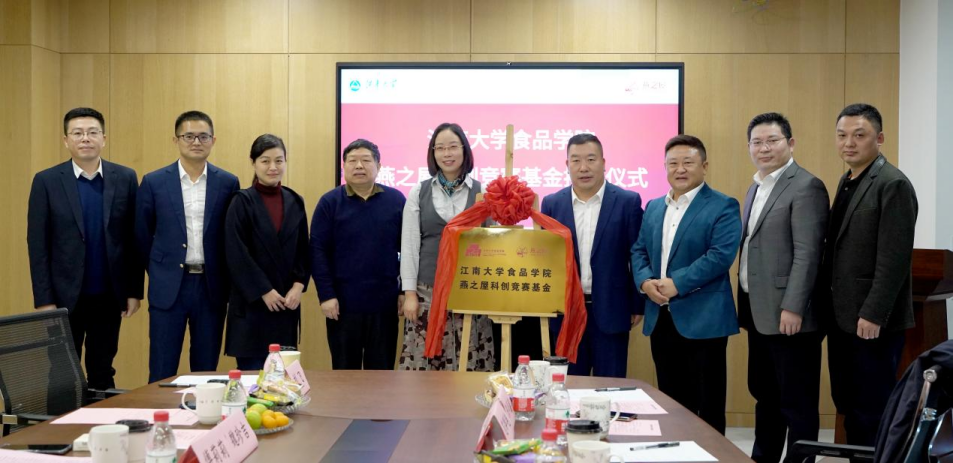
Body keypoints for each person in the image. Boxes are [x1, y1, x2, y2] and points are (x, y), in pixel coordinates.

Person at [818, 103, 918, 448]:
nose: (849, 143)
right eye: (842, 135)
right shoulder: (847, 180)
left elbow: (894, 258)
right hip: (842, 316)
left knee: (872, 409)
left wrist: (874, 313)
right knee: (847, 403)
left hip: (871, 320)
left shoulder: (892, 183)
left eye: (859, 135)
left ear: (880, 138)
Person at [631, 134, 741, 434]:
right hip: (661, 316)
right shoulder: (654, 206)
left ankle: (710, 453)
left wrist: (676, 283)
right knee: (671, 400)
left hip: (704, 318)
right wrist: (645, 282)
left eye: (688, 163)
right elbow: (639, 250)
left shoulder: (723, 205)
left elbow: (720, 256)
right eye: (673, 163)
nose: (680, 169)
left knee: (707, 403)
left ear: (704, 166)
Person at [27, 107, 142, 390]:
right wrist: (44, 300)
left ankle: (100, 420)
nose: (85, 138)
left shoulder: (125, 177)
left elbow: (133, 240)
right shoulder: (46, 181)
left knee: (102, 370)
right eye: (77, 133)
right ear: (66, 140)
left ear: (104, 138)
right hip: (62, 297)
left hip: (108, 295)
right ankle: (62, 422)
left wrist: (133, 291)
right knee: (62, 374)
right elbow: (37, 245)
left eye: (92, 132)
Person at [738, 113, 829, 462]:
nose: (764, 148)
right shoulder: (756, 187)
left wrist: (793, 306)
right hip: (760, 312)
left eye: (772, 141)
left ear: (790, 143)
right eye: (757, 142)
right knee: (766, 395)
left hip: (790, 316)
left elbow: (808, 254)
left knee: (797, 402)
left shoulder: (806, 186)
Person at [136, 110, 240, 382]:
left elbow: (231, 237)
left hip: (211, 286)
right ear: (176, 140)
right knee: (162, 368)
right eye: (189, 136)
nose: (196, 142)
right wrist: (159, 270)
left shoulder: (228, 182)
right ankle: (159, 411)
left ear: (213, 140)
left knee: (206, 370)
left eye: (203, 136)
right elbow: (142, 236)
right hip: (169, 286)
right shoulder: (154, 182)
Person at [540, 133, 644, 378]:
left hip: (612, 309)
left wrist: (637, 304)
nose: (583, 167)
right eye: (576, 160)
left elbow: (638, 255)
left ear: (603, 162)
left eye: (590, 159)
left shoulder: (627, 202)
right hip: (566, 313)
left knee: (610, 386)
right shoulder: (552, 203)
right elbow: (546, 259)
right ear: (567, 165)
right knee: (567, 385)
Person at [399, 122, 495, 371]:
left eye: (453, 147)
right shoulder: (418, 191)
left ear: (464, 150)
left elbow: (494, 243)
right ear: (433, 153)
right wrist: (410, 294)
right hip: (427, 291)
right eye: (440, 148)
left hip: (470, 290)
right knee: (424, 362)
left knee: (469, 360)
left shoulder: (482, 192)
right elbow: (409, 245)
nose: (447, 153)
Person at [311, 139, 405, 370]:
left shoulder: (396, 201)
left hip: (384, 305)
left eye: (366, 160)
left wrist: (404, 291)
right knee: (345, 373)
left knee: (381, 373)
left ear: (379, 166)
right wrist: (326, 295)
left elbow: (409, 249)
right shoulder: (329, 202)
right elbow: (318, 251)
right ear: (343, 166)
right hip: (342, 306)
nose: (359, 166)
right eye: (352, 160)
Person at [223, 134, 310, 369]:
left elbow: (303, 249)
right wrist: (263, 290)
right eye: (265, 161)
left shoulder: (295, 200)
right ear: (253, 163)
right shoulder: (241, 201)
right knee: (252, 378)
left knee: (282, 378)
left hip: (286, 304)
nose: (273, 167)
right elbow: (236, 253)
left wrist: (298, 286)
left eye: (279, 161)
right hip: (252, 306)